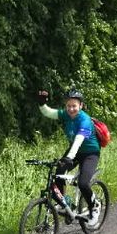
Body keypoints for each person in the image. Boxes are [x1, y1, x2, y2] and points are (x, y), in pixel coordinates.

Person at [35, 87, 102, 223]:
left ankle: (94, 206)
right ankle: (64, 204)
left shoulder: (84, 120)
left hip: (90, 153)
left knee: (83, 183)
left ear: (81, 105)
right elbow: (49, 112)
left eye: (74, 106)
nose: (71, 109)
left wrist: (69, 158)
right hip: (75, 151)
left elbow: (78, 140)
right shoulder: (65, 114)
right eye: (68, 106)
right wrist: (42, 104)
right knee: (59, 173)